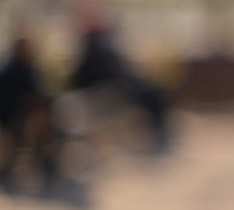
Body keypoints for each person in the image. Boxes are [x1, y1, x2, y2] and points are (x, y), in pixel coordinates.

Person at [70, 15, 171, 152]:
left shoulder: (105, 44)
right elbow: (88, 76)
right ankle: (160, 134)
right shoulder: (92, 47)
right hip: (110, 89)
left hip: (123, 85)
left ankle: (160, 133)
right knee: (152, 96)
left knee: (155, 93)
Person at [0, 35, 59, 192]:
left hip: (22, 115)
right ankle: (44, 161)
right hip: (11, 116)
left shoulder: (25, 66)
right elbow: (15, 97)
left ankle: (45, 160)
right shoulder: (12, 69)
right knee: (39, 125)